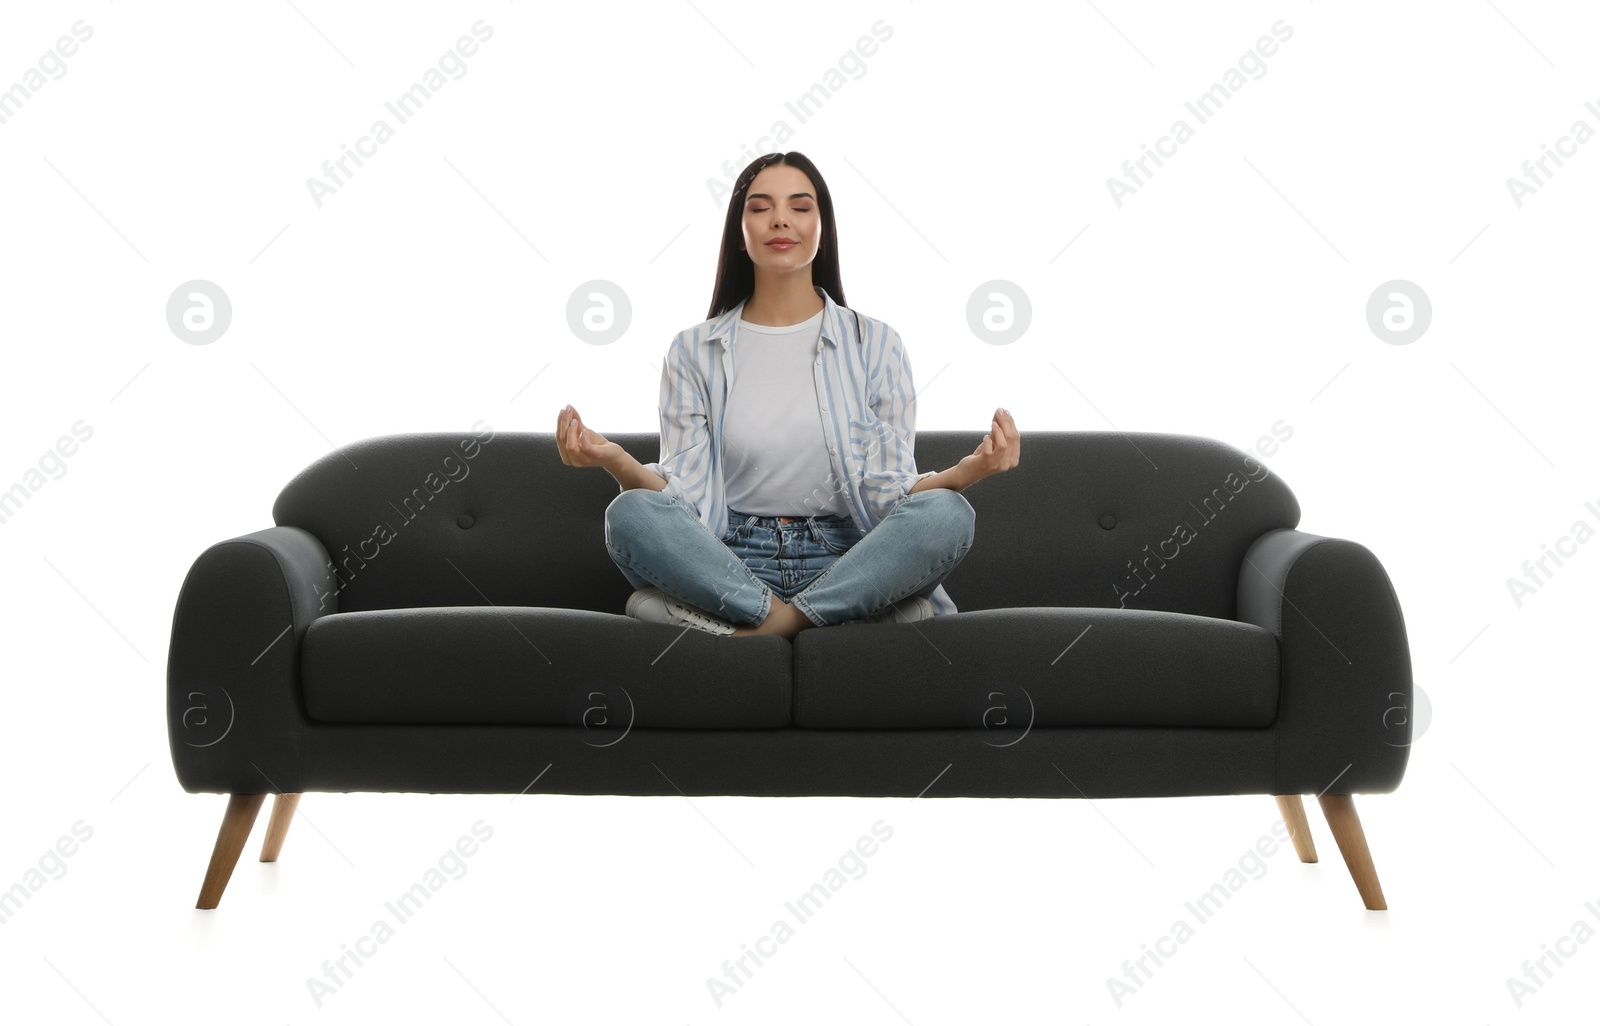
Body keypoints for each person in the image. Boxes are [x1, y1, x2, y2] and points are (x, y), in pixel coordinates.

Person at [555, 151, 1020, 639]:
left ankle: (762, 629)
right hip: (731, 561)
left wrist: (971, 471)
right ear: (740, 230)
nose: (780, 219)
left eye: (800, 207)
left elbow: (889, 495)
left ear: (823, 227)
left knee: (948, 514)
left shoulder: (877, 344)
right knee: (628, 514)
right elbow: (686, 500)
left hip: (847, 558)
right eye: (760, 208)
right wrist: (616, 461)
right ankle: (840, 621)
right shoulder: (693, 350)